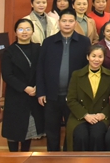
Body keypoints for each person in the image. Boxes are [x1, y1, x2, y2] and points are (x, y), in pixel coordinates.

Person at [37, 9, 91, 151]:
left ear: (75, 23)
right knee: (52, 130)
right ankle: (52, 157)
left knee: (71, 129)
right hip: (51, 95)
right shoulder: (48, 42)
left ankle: (68, 156)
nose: (67, 24)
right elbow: (40, 68)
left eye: (70, 21)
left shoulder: (84, 42)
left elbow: (87, 69)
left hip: (73, 96)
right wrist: (41, 91)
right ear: (59, 22)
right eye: (64, 21)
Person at [1, 18, 44, 152]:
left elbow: (43, 70)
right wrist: (25, 88)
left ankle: (25, 155)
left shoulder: (38, 49)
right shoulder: (9, 51)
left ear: (32, 31)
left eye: (27, 29)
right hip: (16, 94)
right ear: (15, 32)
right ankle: (13, 156)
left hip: (34, 93)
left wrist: (37, 86)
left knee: (29, 127)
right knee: (14, 129)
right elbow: (7, 75)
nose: (24, 32)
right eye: (20, 29)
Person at [65, 44, 110, 151]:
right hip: (80, 116)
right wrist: (85, 115)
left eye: (100, 56)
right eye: (93, 56)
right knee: (81, 136)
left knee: (97, 135)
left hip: (100, 116)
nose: (96, 59)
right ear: (87, 57)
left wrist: (103, 114)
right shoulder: (77, 75)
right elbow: (71, 99)